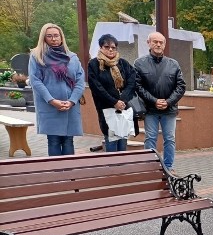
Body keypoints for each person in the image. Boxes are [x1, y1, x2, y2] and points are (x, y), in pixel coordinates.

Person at [28, 23, 85, 156]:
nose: (53, 39)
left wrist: (72, 101)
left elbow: (80, 81)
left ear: (61, 37)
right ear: (44, 38)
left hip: (69, 106)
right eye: (49, 36)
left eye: (56, 35)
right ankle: (57, 175)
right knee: (53, 140)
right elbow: (35, 81)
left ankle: (69, 174)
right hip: (50, 106)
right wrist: (51, 100)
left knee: (68, 141)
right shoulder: (37, 56)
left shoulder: (72, 57)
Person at [134, 31, 186, 170]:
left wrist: (168, 101)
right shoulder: (139, 63)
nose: (158, 44)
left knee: (170, 139)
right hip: (150, 109)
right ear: (149, 43)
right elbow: (138, 86)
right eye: (155, 42)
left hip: (169, 110)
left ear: (164, 45)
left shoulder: (173, 64)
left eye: (161, 42)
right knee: (150, 138)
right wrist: (154, 101)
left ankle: (168, 167)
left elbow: (181, 86)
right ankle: (150, 167)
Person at [87, 33, 138, 153]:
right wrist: (114, 101)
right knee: (111, 141)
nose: (110, 49)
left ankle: (121, 169)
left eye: (113, 47)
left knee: (122, 141)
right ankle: (113, 169)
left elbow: (132, 81)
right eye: (106, 47)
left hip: (123, 107)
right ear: (101, 48)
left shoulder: (123, 63)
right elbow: (96, 87)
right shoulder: (94, 64)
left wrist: (123, 100)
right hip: (107, 108)